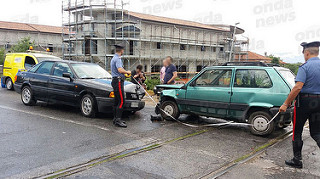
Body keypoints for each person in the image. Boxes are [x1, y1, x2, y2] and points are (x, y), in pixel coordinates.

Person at [279, 41, 320, 168]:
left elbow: (297, 87)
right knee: (316, 133)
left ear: (306, 53)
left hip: (304, 103)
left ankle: (297, 160)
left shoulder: (305, 67)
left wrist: (286, 103)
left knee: (297, 131)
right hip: (319, 103)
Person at [110, 42, 131, 128]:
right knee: (122, 101)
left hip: (115, 80)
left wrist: (124, 74)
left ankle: (115, 119)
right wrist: (127, 72)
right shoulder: (118, 59)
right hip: (118, 81)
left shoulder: (113, 58)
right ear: (121, 50)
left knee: (116, 101)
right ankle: (118, 119)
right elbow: (120, 70)